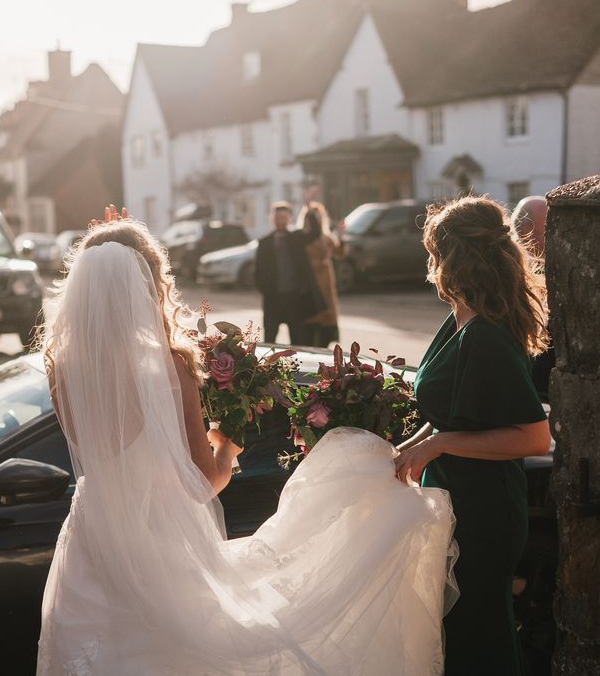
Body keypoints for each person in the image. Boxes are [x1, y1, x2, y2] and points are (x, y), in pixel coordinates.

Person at [36, 211, 458, 675]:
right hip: (160, 544)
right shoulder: (168, 366)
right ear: (149, 284)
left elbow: (106, 450)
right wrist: (228, 446)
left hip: (91, 539)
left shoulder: (61, 367)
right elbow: (202, 483)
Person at [395, 196, 551, 675]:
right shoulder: (461, 316)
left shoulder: (486, 333)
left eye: (433, 251)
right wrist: (410, 446)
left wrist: (439, 445)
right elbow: (453, 411)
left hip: (485, 508)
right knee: (457, 629)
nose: (430, 263)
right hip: (456, 494)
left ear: (453, 256)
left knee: (480, 631)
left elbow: (534, 438)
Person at [254, 202, 324, 345]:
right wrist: (266, 289)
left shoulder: (296, 238)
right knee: (269, 340)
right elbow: (258, 271)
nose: (280, 221)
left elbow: (315, 233)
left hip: (295, 297)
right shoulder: (264, 243)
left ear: (289, 219)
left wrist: (309, 208)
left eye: (284, 217)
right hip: (273, 299)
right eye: (277, 217)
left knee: (298, 339)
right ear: (272, 219)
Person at [511, 196, 554, 399]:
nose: (555, 234)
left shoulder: (552, 267)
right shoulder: (509, 273)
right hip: (528, 390)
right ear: (527, 231)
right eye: (548, 227)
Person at [297, 202, 345, 347]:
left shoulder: (326, 236)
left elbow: (340, 253)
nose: (316, 221)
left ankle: (324, 342)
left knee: (327, 319)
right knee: (313, 318)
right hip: (311, 283)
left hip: (327, 283)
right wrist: (320, 263)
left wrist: (341, 236)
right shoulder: (302, 237)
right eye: (313, 217)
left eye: (319, 217)